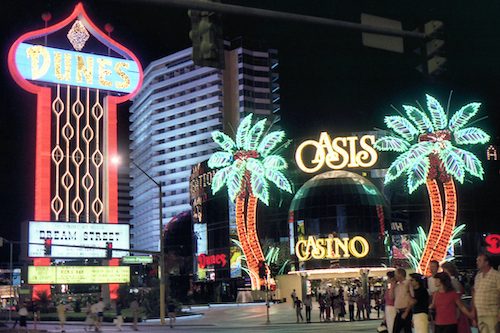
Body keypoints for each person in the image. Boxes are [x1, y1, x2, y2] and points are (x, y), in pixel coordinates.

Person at [472, 253, 500, 333]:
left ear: (486, 262)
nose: (477, 262)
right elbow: (475, 293)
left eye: (479, 260)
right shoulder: (478, 277)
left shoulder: (496, 275)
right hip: (480, 313)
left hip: (492, 314)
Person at [442, 262, 471, 333]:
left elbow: (457, 298)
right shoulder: (453, 281)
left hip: (456, 311)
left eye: (444, 270)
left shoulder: (453, 282)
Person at [393, 268, 413, 333]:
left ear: (400, 275)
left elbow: (411, 298)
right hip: (398, 311)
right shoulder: (397, 285)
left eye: (396, 274)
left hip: (406, 310)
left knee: (407, 330)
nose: (395, 276)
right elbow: (392, 297)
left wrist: (406, 312)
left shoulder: (408, 283)